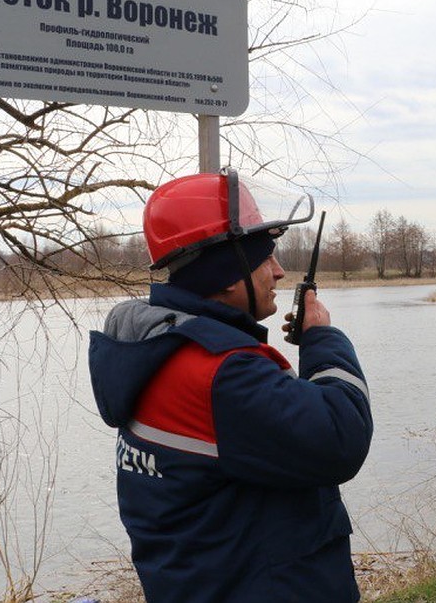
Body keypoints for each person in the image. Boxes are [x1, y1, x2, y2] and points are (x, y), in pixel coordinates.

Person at [88, 169, 372, 602]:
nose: (278, 272)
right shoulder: (221, 373)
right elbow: (340, 437)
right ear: (222, 275)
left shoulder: (156, 348)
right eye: (264, 257)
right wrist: (323, 339)